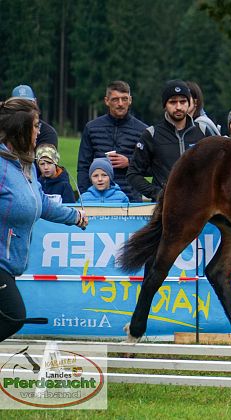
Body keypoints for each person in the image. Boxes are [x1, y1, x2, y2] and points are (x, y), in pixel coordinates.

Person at [0, 98, 88, 341]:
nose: (40, 131)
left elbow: (41, 203)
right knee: (13, 315)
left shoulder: (25, 165)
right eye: (36, 125)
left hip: (8, 265)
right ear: (20, 128)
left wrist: (74, 216)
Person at [127, 80, 208, 201]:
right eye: (173, 102)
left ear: (189, 103)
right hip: (166, 210)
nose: (178, 107)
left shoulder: (203, 131)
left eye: (183, 101)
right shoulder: (152, 134)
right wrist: (158, 194)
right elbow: (133, 174)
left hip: (198, 207)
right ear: (165, 105)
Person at [77, 81, 147, 202]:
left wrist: (129, 162)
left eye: (124, 99)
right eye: (115, 99)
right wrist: (85, 197)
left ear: (130, 100)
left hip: (131, 199)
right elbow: (83, 167)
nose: (120, 104)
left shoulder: (143, 130)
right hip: (96, 199)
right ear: (107, 101)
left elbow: (152, 167)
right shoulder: (92, 128)